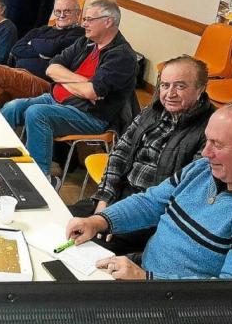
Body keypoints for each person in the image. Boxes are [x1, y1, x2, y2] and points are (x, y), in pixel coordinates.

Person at [66, 98, 232, 280]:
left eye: (217, 144)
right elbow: (151, 203)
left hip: (170, 300)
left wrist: (146, 279)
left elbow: (231, 293)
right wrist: (97, 221)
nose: (206, 152)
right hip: (143, 272)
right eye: (207, 141)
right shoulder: (201, 169)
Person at [68, 55, 215, 254]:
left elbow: (180, 191)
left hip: (150, 211)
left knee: (92, 249)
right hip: (118, 195)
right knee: (64, 221)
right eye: (164, 85)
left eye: (180, 86)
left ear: (200, 89)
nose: (169, 93)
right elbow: (119, 155)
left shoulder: (211, 131)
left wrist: (113, 220)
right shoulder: (151, 112)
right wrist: (104, 200)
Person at [1, 0, 137, 182]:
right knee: (13, 107)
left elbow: (92, 92)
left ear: (108, 21)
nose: (84, 23)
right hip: (57, 99)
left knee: (37, 112)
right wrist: (82, 81)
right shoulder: (86, 42)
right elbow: (51, 68)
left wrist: (65, 79)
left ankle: (41, 179)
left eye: (89, 19)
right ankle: (0, 160)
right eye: (84, 19)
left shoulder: (121, 55)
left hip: (92, 115)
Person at [0, 0, 84, 107]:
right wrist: (41, 52)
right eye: (58, 11)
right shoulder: (43, 30)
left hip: (45, 84)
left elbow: (51, 48)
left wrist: (33, 43)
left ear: (77, 14)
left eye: (67, 11)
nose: (62, 15)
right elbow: (16, 49)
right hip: (18, 76)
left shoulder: (79, 34)